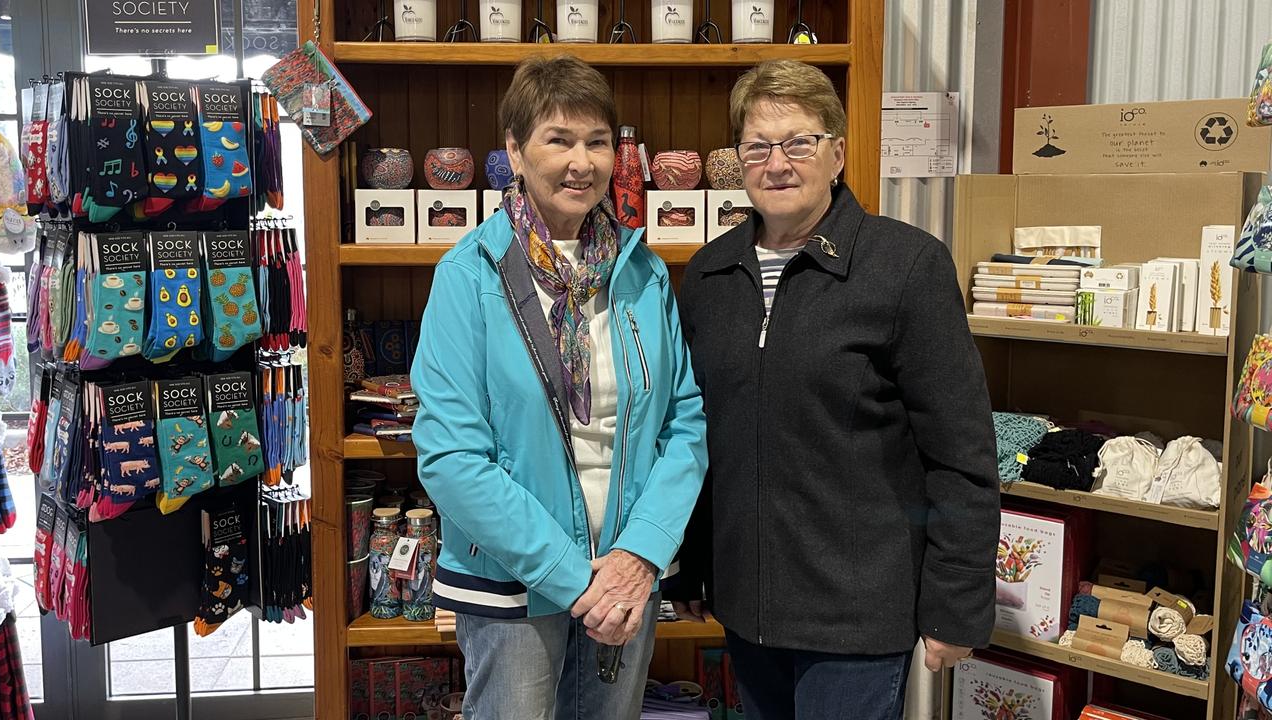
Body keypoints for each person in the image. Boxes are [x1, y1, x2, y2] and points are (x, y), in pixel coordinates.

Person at [666, 59, 1000, 720]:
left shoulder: (905, 267)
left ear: (837, 153)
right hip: (746, 607)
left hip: (857, 618)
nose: (778, 163)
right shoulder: (710, 274)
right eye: (758, 146)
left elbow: (962, 454)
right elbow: (700, 436)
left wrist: (956, 603)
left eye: (799, 142)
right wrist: (694, 563)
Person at [411, 55, 708, 720]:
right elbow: (452, 458)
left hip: (626, 579)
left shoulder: (643, 274)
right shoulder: (469, 276)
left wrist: (639, 553)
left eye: (597, 142)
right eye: (559, 139)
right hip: (514, 586)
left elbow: (683, 423)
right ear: (514, 150)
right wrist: (577, 582)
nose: (582, 162)